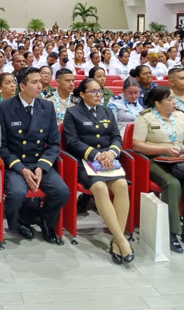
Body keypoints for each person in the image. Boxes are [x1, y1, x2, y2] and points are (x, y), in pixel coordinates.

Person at [0, 67, 69, 243]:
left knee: (62, 191)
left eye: (40, 82)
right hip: (15, 163)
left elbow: (53, 143)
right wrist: (20, 169)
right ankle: (18, 222)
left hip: (39, 162)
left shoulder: (47, 107)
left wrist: (42, 166)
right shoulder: (4, 107)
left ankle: (45, 220)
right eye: (34, 82)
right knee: (17, 193)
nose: (40, 86)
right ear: (22, 86)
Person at [62, 78, 133, 264]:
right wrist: (96, 155)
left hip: (109, 161)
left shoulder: (107, 110)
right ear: (82, 94)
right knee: (100, 188)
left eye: (99, 91)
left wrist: (111, 152)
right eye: (93, 91)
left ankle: (117, 241)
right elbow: (72, 141)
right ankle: (121, 240)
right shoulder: (72, 113)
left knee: (122, 186)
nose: (98, 95)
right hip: (85, 161)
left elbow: (116, 137)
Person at [132, 86, 184, 253]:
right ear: (158, 103)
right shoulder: (145, 118)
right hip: (155, 159)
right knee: (172, 184)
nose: (174, 102)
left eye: (173, 99)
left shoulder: (181, 116)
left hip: (179, 159)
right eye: (169, 99)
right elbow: (137, 145)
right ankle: (171, 231)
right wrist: (163, 149)